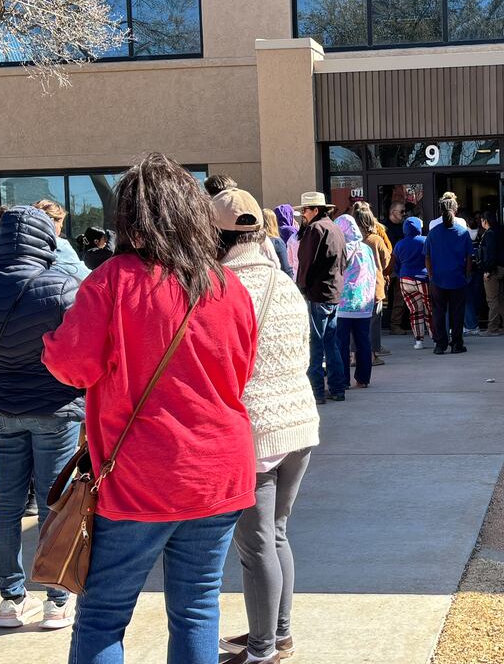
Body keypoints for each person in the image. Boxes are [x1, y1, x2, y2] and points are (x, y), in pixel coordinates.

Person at [42, 153, 259, 664]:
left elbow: (72, 367)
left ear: (131, 220)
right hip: (220, 472)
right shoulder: (228, 286)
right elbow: (241, 372)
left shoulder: (113, 281)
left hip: (140, 475)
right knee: (198, 608)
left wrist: (51, 340)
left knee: (104, 614)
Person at [0, 206, 84, 630]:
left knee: (7, 503)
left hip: (2, 410)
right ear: (46, 237)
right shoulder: (64, 286)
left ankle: (11, 599)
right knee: (53, 503)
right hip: (56, 409)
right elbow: (85, 355)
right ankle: (56, 599)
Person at [212, 189, 320, 664]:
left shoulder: (220, 288)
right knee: (276, 535)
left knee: (256, 547)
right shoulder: (284, 282)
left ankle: (261, 651)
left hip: (254, 430)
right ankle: (279, 635)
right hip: (300, 423)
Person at [294, 192, 347, 403]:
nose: (302, 215)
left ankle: (317, 391)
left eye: (304, 211)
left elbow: (306, 263)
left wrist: (302, 287)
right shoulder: (334, 227)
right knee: (330, 343)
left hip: (317, 294)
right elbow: (343, 261)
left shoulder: (315, 229)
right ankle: (337, 388)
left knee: (315, 345)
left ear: (316, 210)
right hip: (333, 293)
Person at [425, 196, 473, 355]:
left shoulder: (433, 233)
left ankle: (440, 344)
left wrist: (431, 276)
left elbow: (427, 257)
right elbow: (469, 258)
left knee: (438, 312)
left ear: (440, 211)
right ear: (456, 210)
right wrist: (466, 275)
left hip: (438, 279)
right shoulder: (463, 232)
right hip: (458, 278)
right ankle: (456, 344)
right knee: (457, 312)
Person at [333, 215, 376, 389]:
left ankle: (343, 380)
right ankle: (363, 379)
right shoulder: (366, 249)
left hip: (343, 303)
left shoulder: (340, 248)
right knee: (363, 341)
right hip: (364, 302)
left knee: (341, 343)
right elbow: (373, 271)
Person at [352, 202, 391, 364]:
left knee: (355, 325)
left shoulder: (351, 241)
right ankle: (372, 355)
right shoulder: (376, 240)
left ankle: (354, 355)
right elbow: (387, 262)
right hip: (374, 287)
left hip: (355, 287)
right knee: (374, 322)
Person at [390, 216, 433, 349]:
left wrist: (399, 273)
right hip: (423, 279)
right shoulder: (426, 240)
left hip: (405, 280)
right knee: (430, 310)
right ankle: (436, 338)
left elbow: (394, 264)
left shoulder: (399, 244)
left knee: (415, 311)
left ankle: (418, 341)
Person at [32, 200, 92, 282]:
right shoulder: (58, 245)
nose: (61, 227)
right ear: (52, 222)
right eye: (61, 224)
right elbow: (86, 277)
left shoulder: (18, 245)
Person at [479, 211, 504, 335]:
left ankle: (492, 327)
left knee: (492, 300)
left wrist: (487, 270)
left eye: (481, 220)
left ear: (485, 221)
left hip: (493, 269)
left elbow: (490, 254)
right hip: (502, 268)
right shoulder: (501, 231)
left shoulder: (489, 234)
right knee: (500, 298)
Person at [381, 201, 409, 335]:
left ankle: (395, 325)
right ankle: (375, 326)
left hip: (401, 267)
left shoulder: (405, 227)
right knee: (380, 297)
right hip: (386, 267)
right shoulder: (383, 228)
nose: (404, 214)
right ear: (393, 212)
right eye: (402, 211)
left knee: (400, 298)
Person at [463, 211, 483, 337]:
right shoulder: (480, 232)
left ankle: (471, 324)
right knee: (475, 298)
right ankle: (473, 322)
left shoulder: (463, 234)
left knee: (467, 299)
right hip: (477, 269)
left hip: (467, 271)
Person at [262, 208, 294, 279]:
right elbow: (285, 268)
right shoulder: (277, 242)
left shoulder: (254, 241)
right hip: (273, 280)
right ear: (273, 222)